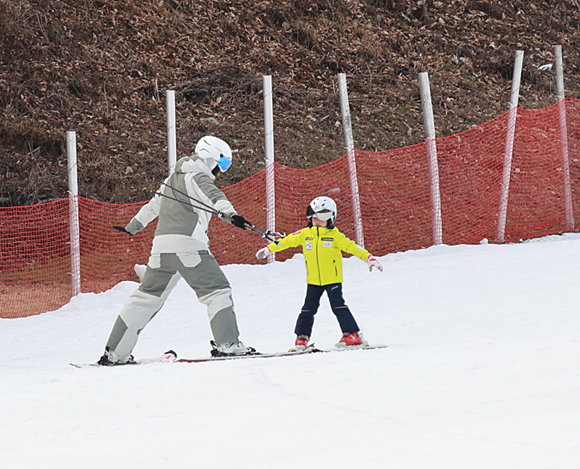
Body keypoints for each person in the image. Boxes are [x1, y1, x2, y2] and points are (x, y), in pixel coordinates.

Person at [101, 135, 256, 364]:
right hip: (189, 247)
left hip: (161, 250)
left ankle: (115, 353)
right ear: (212, 157)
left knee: (145, 298)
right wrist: (232, 215)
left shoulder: (171, 178)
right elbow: (214, 197)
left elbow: (153, 206)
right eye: (223, 163)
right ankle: (228, 344)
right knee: (218, 291)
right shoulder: (199, 176)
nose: (222, 170)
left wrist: (132, 227)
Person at [255, 196, 383, 351]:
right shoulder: (305, 234)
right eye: (314, 218)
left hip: (332, 279)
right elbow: (286, 241)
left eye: (322, 219)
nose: (317, 222)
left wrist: (368, 258)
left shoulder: (335, 236)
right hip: (313, 280)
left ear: (331, 218)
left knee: (338, 306)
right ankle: (302, 337)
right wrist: (269, 249)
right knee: (308, 309)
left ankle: (352, 334)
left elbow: (352, 247)